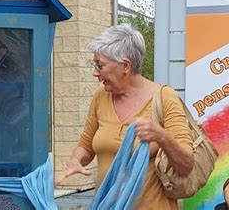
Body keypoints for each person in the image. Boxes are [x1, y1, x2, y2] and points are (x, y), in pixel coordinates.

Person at [55, 24, 194, 209]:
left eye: (100, 65)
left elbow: (186, 165)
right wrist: (75, 161)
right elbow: (86, 145)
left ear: (125, 65)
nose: (95, 72)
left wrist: (161, 136)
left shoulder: (165, 98)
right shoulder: (101, 96)